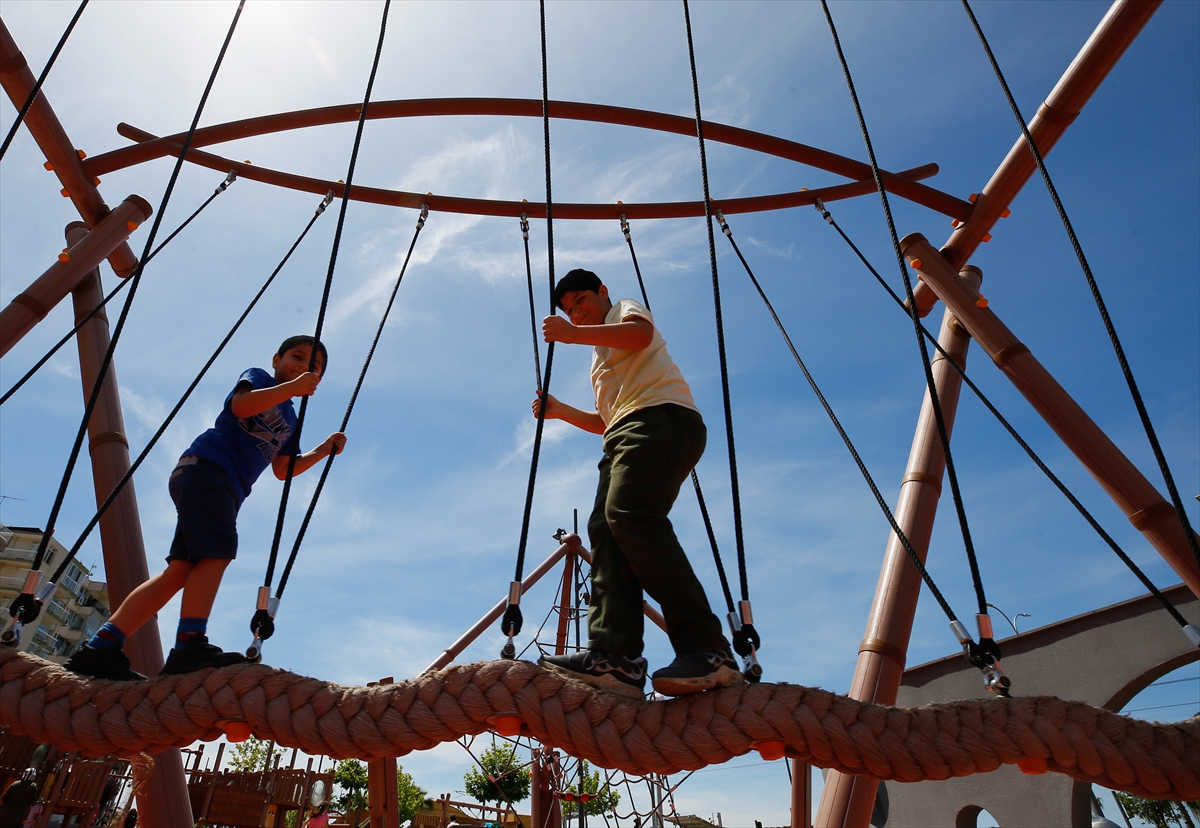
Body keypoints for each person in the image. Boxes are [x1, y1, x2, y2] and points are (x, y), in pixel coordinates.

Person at [65, 336, 347, 680]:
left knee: (181, 571)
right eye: (297, 358)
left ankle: (101, 646)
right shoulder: (260, 378)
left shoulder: (291, 418)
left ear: (317, 381)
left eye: (313, 367)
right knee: (218, 552)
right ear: (277, 359)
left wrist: (321, 451)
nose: (304, 366)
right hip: (209, 469)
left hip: (218, 484)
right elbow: (242, 407)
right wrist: (291, 389)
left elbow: (282, 469)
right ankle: (189, 645)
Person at [533, 269, 741, 698]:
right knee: (607, 531)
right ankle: (615, 657)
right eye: (570, 309)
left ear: (602, 293)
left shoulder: (624, 310)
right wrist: (560, 411)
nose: (578, 312)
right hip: (624, 432)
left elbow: (640, 336)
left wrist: (571, 333)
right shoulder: (598, 356)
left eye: (582, 301)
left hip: (661, 418)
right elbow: (606, 419)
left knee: (630, 514)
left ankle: (708, 647)